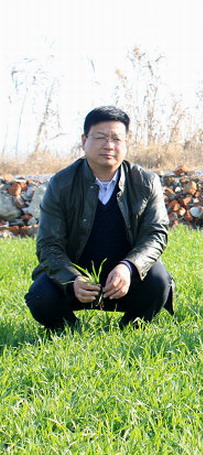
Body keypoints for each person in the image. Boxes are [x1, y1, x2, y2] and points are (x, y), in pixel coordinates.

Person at [25, 106, 174, 330]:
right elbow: (48, 245)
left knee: (158, 282)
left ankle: (130, 329)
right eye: (100, 137)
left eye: (116, 138)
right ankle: (71, 331)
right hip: (77, 281)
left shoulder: (146, 182)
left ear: (126, 143)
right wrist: (72, 279)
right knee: (40, 296)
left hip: (126, 279)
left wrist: (129, 267)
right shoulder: (61, 184)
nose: (109, 145)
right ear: (84, 140)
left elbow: (156, 235)